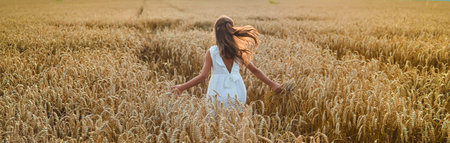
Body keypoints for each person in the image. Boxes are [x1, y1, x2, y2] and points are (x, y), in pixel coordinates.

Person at [171, 15, 282, 108]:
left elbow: (202, 76)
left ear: (215, 32)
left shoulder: (212, 52)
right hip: (238, 92)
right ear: (231, 31)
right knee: (236, 123)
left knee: (217, 125)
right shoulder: (238, 51)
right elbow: (255, 70)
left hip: (217, 93)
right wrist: (273, 84)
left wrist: (182, 87)